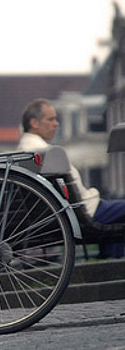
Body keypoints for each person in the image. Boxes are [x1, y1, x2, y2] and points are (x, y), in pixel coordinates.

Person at [19, 98, 125, 258]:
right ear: (34, 122)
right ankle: (113, 264)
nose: (56, 124)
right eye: (51, 119)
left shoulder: (24, 153)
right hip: (85, 213)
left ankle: (111, 261)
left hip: (65, 216)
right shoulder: (46, 153)